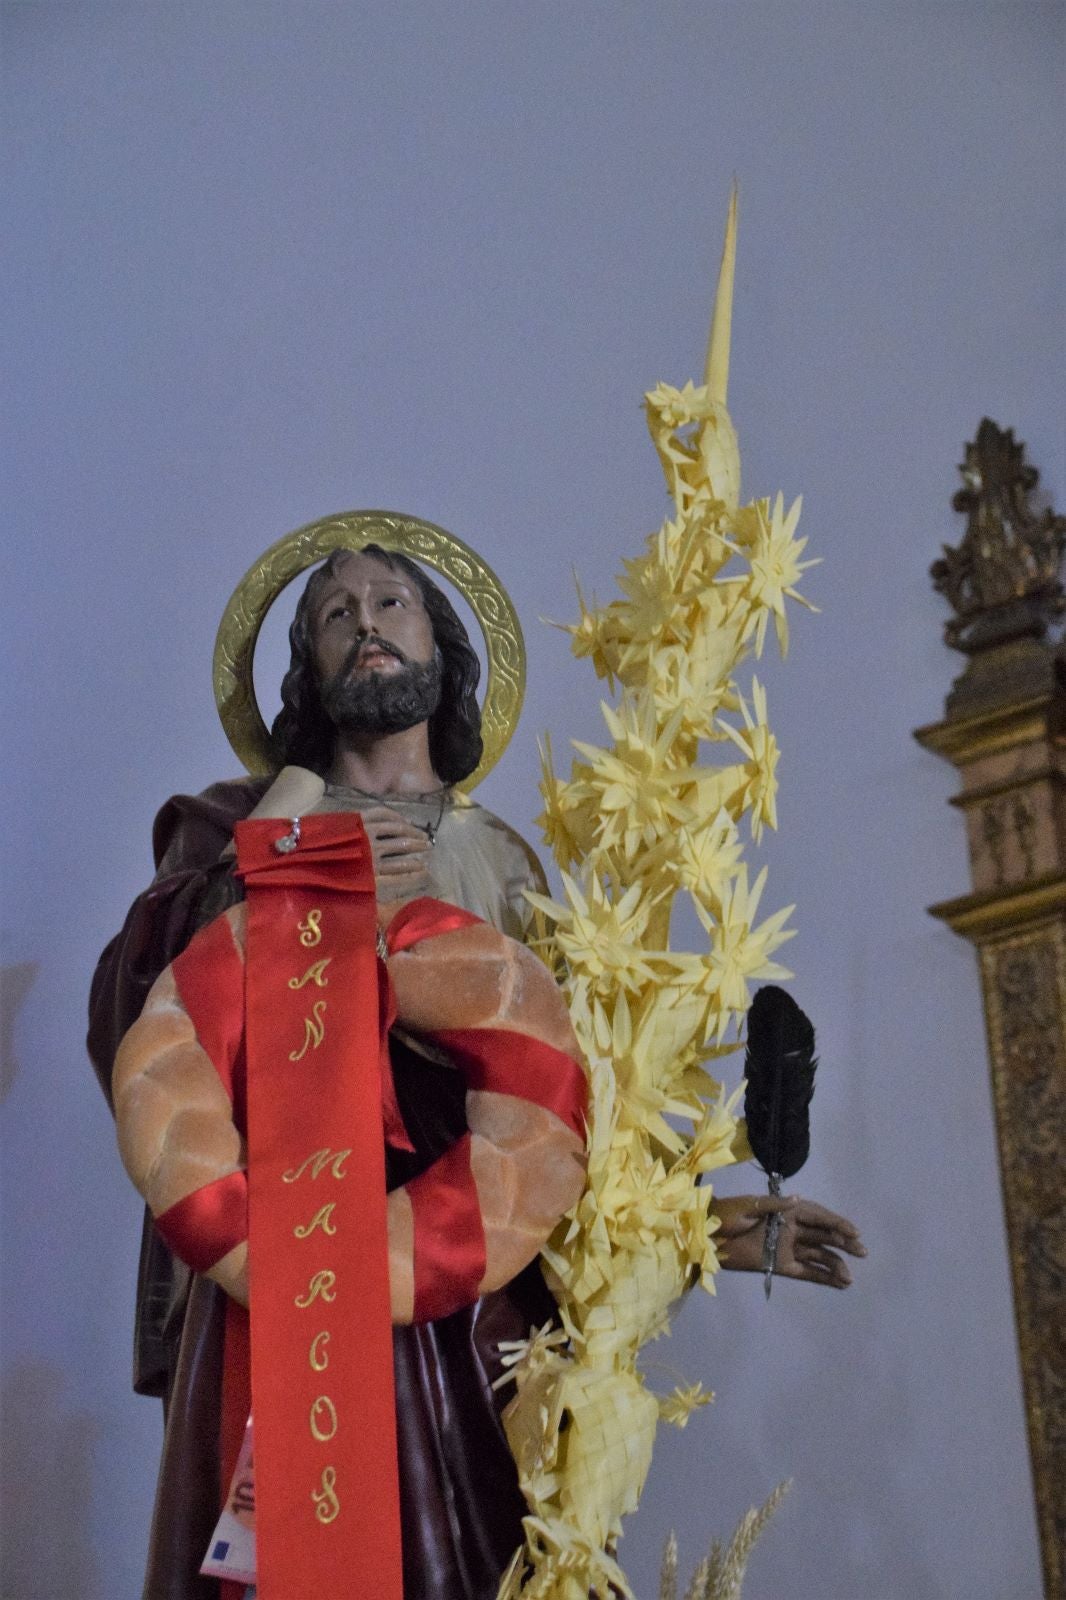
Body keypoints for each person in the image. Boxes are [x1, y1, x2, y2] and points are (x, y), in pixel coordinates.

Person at [89, 545, 864, 1600]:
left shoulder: (504, 861)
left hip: (474, 1290)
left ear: (443, 647)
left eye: (391, 601)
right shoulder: (241, 828)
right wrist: (287, 875)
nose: (367, 622)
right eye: (334, 614)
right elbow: (145, 1011)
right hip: (284, 1258)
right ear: (306, 668)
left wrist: (688, 1229)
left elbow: (575, 1097)